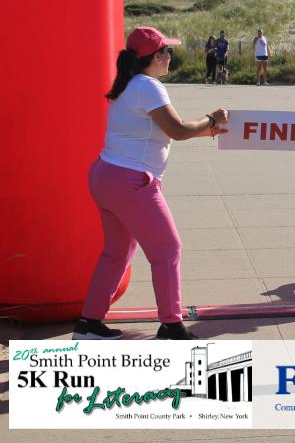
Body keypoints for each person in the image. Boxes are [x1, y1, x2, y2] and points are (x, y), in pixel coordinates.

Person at [74, 27, 229, 341]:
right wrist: (211, 119)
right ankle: (171, 326)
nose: (170, 56)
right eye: (166, 51)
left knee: (116, 253)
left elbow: (158, 131)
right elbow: (178, 130)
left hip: (106, 175)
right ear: (155, 57)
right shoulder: (149, 86)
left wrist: (208, 131)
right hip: (132, 182)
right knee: (168, 249)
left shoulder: (129, 84)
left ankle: (89, 324)